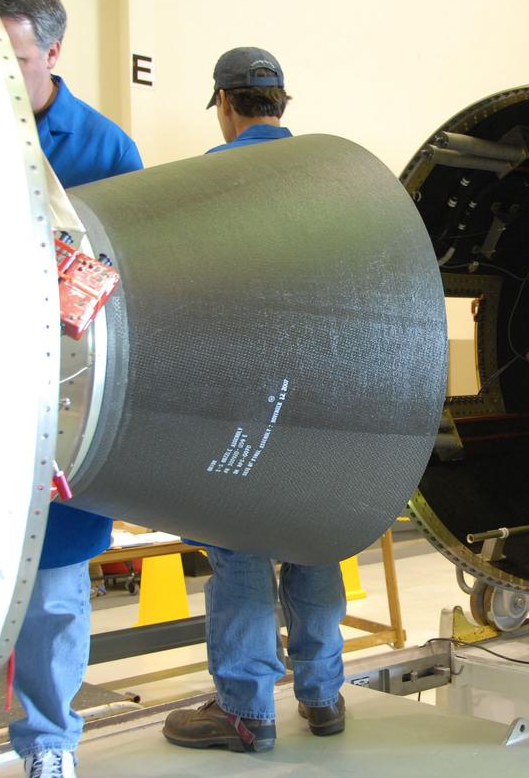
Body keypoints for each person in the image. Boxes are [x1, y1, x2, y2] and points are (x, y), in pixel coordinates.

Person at [161, 47, 347, 753]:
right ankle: (323, 698)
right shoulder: (329, 179)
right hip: (325, 400)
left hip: (245, 398)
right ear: (281, 103)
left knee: (240, 547)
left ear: (225, 103)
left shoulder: (210, 181)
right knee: (312, 541)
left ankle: (245, 711)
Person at [0, 0, 142, 778]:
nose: (0, 73)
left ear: (52, 51)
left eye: (14, 58)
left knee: (52, 595)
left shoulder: (105, 150)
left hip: (69, 405)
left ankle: (48, 743)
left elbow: (139, 284)